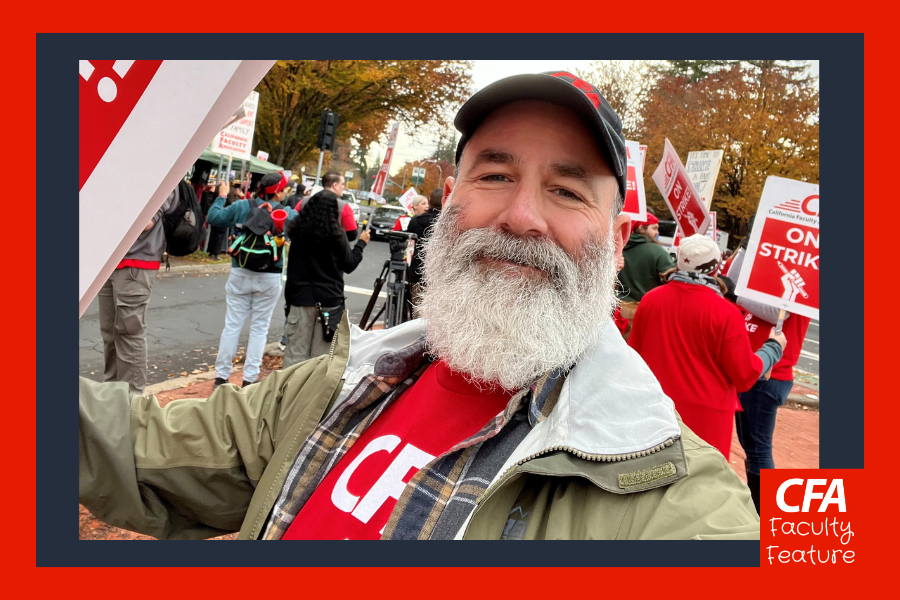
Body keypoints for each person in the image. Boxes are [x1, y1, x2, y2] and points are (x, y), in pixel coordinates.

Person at [80, 71, 762, 540]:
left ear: (618, 245)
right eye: (495, 175)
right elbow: (142, 448)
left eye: (567, 190)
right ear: (450, 206)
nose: (521, 216)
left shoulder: (674, 505)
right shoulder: (336, 387)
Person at [628, 234, 787, 460]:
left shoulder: (651, 300)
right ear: (716, 268)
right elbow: (745, 374)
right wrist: (772, 348)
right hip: (706, 421)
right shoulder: (726, 312)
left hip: (655, 412)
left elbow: (634, 358)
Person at [726, 228, 812, 514]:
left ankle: (765, 511)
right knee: (752, 446)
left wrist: (735, 290)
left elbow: (775, 311)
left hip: (770, 375)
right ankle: (757, 506)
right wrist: (744, 249)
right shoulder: (769, 275)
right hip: (757, 370)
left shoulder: (800, 284)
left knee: (758, 449)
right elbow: (732, 280)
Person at [206, 172, 297, 389]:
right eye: (285, 189)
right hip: (270, 275)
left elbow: (213, 217)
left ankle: (221, 376)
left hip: (241, 271)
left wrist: (222, 195)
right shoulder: (286, 214)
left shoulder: (242, 206)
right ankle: (249, 378)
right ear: (278, 192)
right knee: (259, 328)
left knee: (232, 325)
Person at [97, 188, 174, 395]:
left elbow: (146, 222)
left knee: (128, 333)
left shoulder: (164, 173)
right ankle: (111, 398)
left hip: (136, 263)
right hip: (111, 260)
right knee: (110, 332)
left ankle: (131, 403)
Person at [281, 190, 370, 368]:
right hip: (330, 300)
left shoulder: (298, 234)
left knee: (295, 355)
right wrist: (361, 244)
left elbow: (291, 272)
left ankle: (289, 393)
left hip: (301, 299)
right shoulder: (337, 236)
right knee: (321, 358)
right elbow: (349, 264)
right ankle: (314, 394)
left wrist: (289, 302)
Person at [617, 213, 676, 304]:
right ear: (641, 228)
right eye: (654, 228)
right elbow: (671, 279)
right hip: (647, 306)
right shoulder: (657, 251)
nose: (657, 232)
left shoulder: (619, 249)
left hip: (620, 307)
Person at [405, 189, 442, 309]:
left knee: (417, 312)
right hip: (439, 276)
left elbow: (408, 245)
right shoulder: (448, 224)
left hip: (417, 272)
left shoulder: (415, 221)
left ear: (430, 201)